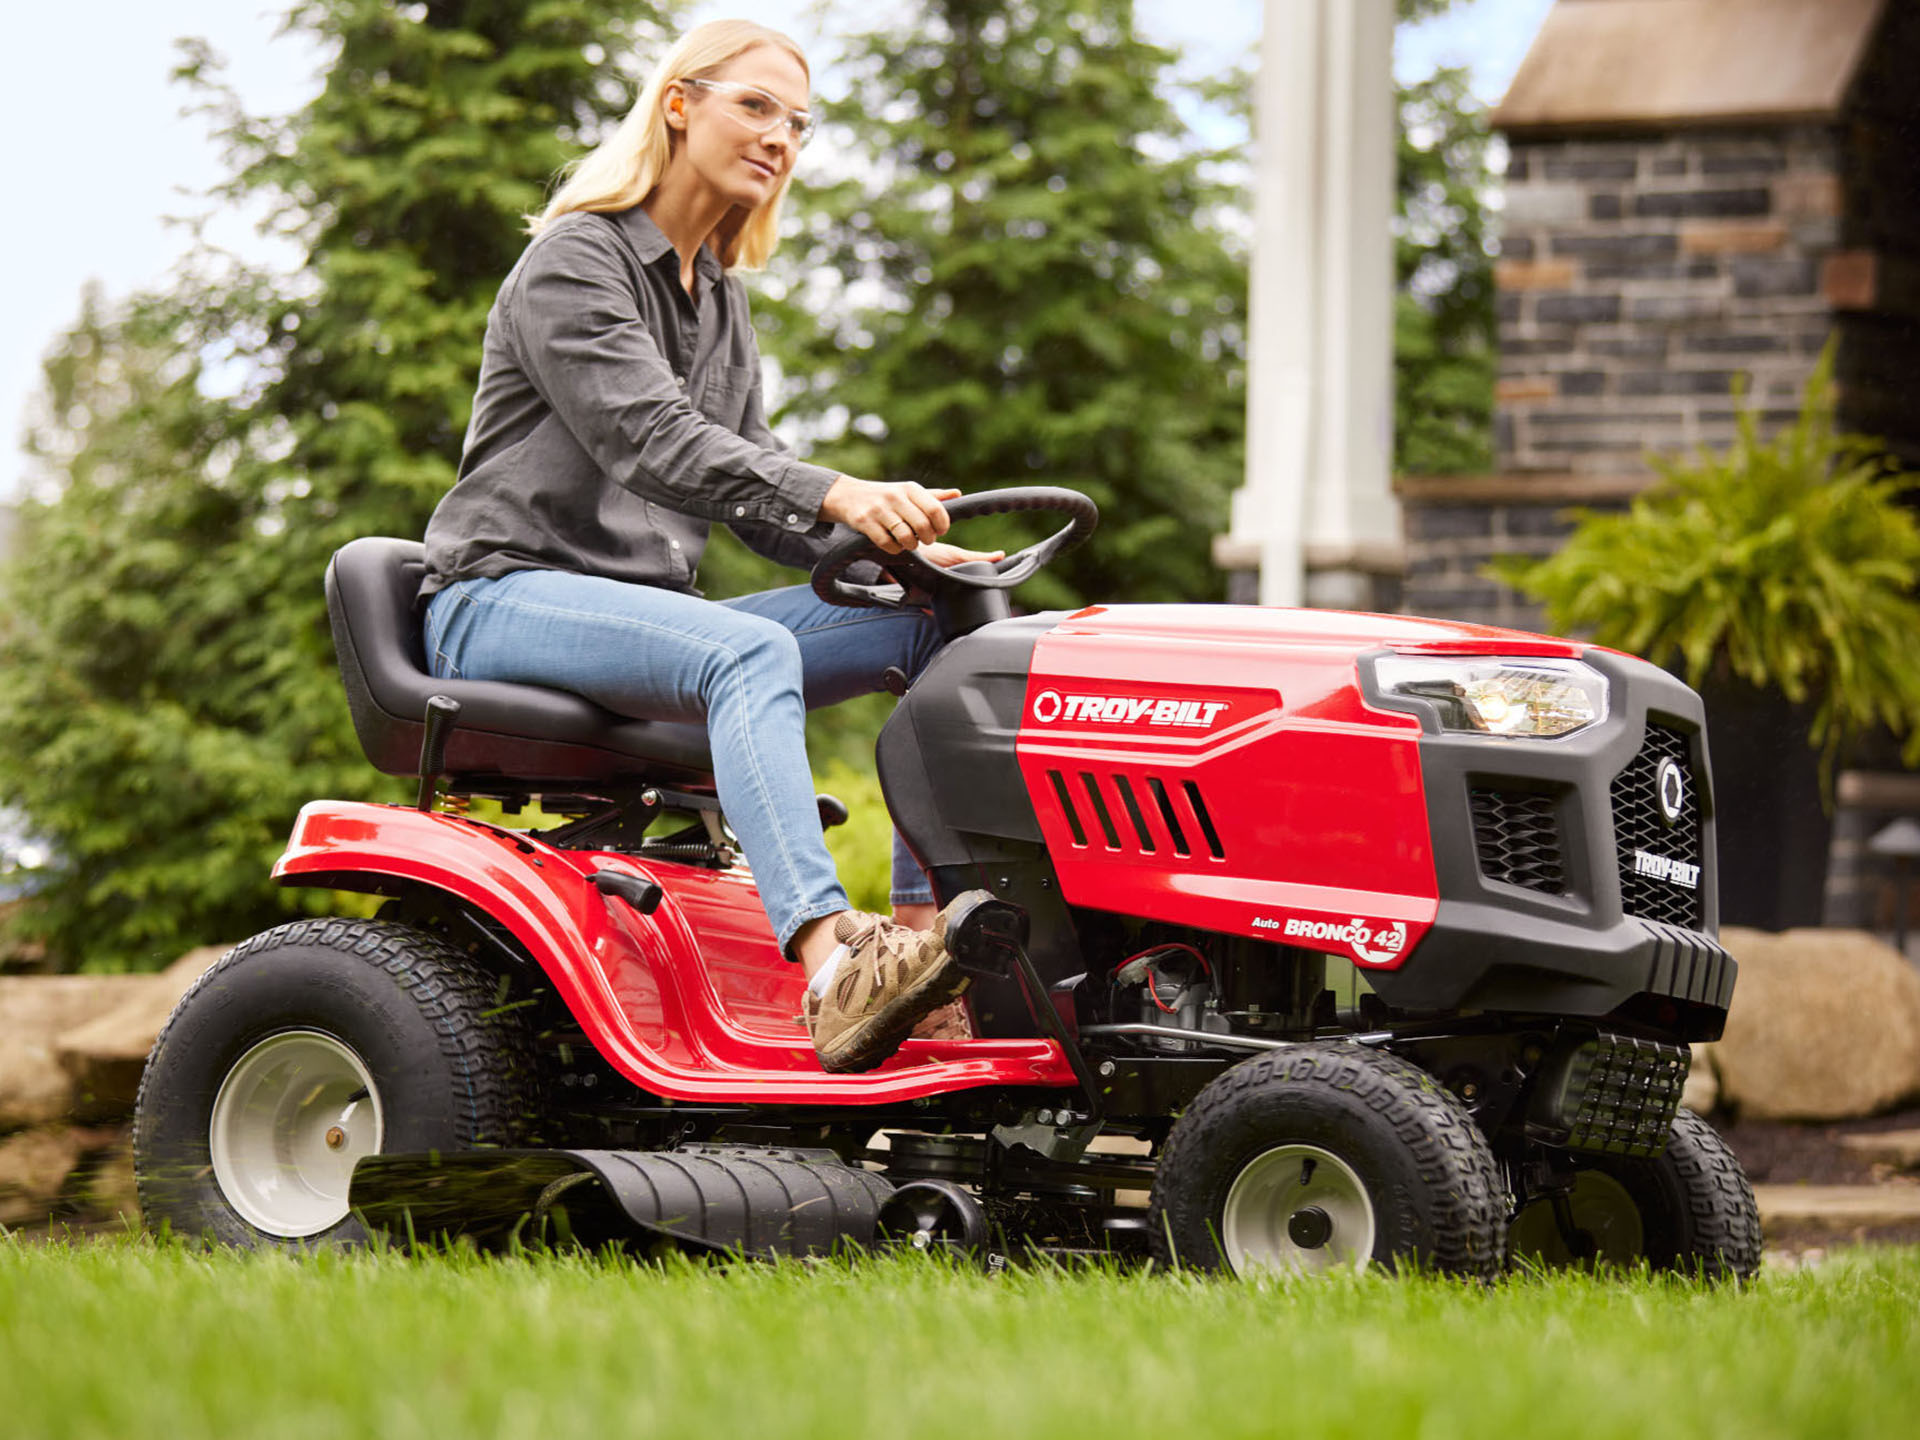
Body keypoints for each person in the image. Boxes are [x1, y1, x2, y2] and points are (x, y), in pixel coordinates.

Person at [419, 19, 997, 1073]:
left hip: (644, 625)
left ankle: (928, 950)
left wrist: (899, 553)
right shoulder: (576, 261)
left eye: (800, 123)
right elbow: (653, 442)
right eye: (757, 106)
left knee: (937, 628)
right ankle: (834, 966)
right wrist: (841, 489)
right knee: (750, 651)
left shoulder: (720, 298)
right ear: (679, 103)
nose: (782, 137)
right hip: (500, 601)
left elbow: (761, 503)